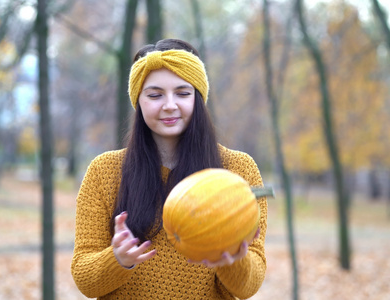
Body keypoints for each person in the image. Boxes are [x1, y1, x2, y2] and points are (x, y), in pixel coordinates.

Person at [71, 38, 268, 299]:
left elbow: (247, 288)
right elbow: (85, 280)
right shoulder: (104, 171)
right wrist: (118, 258)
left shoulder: (239, 170)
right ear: (138, 101)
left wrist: (232, 257)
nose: (170, 105)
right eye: (154, 95)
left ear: (199, 98)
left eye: (183, 93)